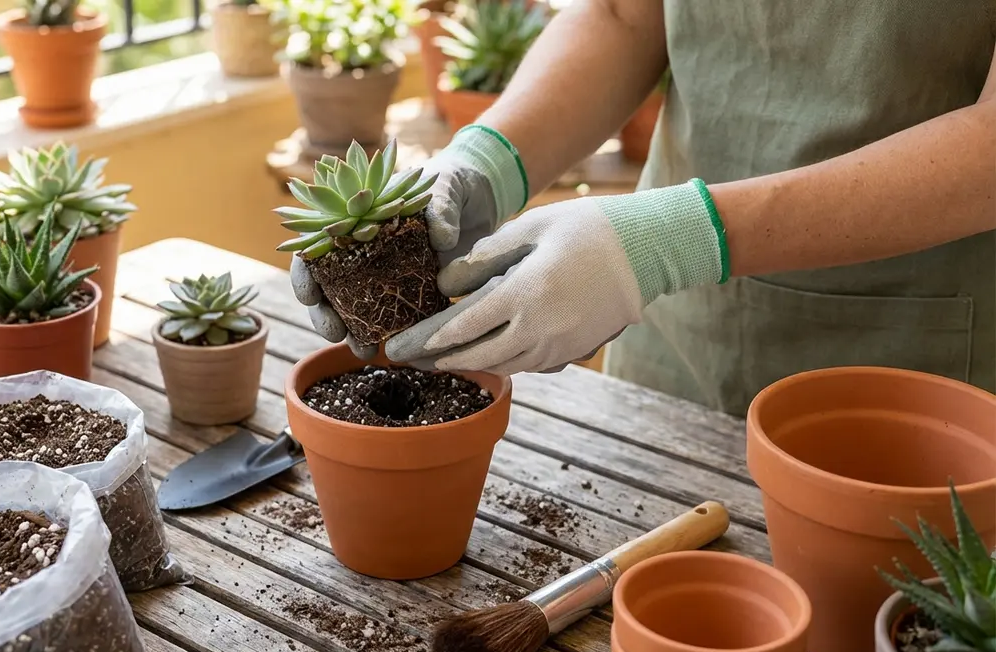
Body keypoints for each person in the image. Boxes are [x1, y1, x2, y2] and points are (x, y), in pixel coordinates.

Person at [289, 0, 996, 416]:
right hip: (674, 339)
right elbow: (624, 15)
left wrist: (670, 240)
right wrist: (487, 162)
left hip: (912, 359)